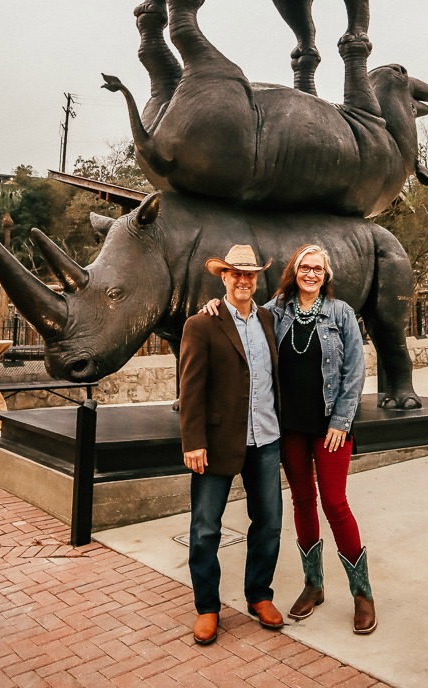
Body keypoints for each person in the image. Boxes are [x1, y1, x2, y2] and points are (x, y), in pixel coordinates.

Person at [204, 243, 376, 634]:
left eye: (318, 268)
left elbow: (354, 372)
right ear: (295, 271)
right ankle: (313, 585)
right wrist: (211, 307)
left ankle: (362, 593)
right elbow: (239, 308)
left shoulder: (341, 314)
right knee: (301, 501)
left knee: (334, 502)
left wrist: (341, 421)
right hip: (290, 428)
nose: (311, 274)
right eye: (305, 267)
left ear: (326, 274)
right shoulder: (277, 311)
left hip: (331, 427)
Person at [179, 244, 284, 646]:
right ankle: (208, 606)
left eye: (250, 274)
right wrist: (193, 441)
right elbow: (190, 389)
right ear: (223, 277)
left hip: (266, 437)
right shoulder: (202, 323)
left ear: (258, 279)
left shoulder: (269, 319)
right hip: (218, 441)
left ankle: (259, 595)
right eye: (235, 273)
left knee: (269, 524)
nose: (243, 280)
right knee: (206, 528)